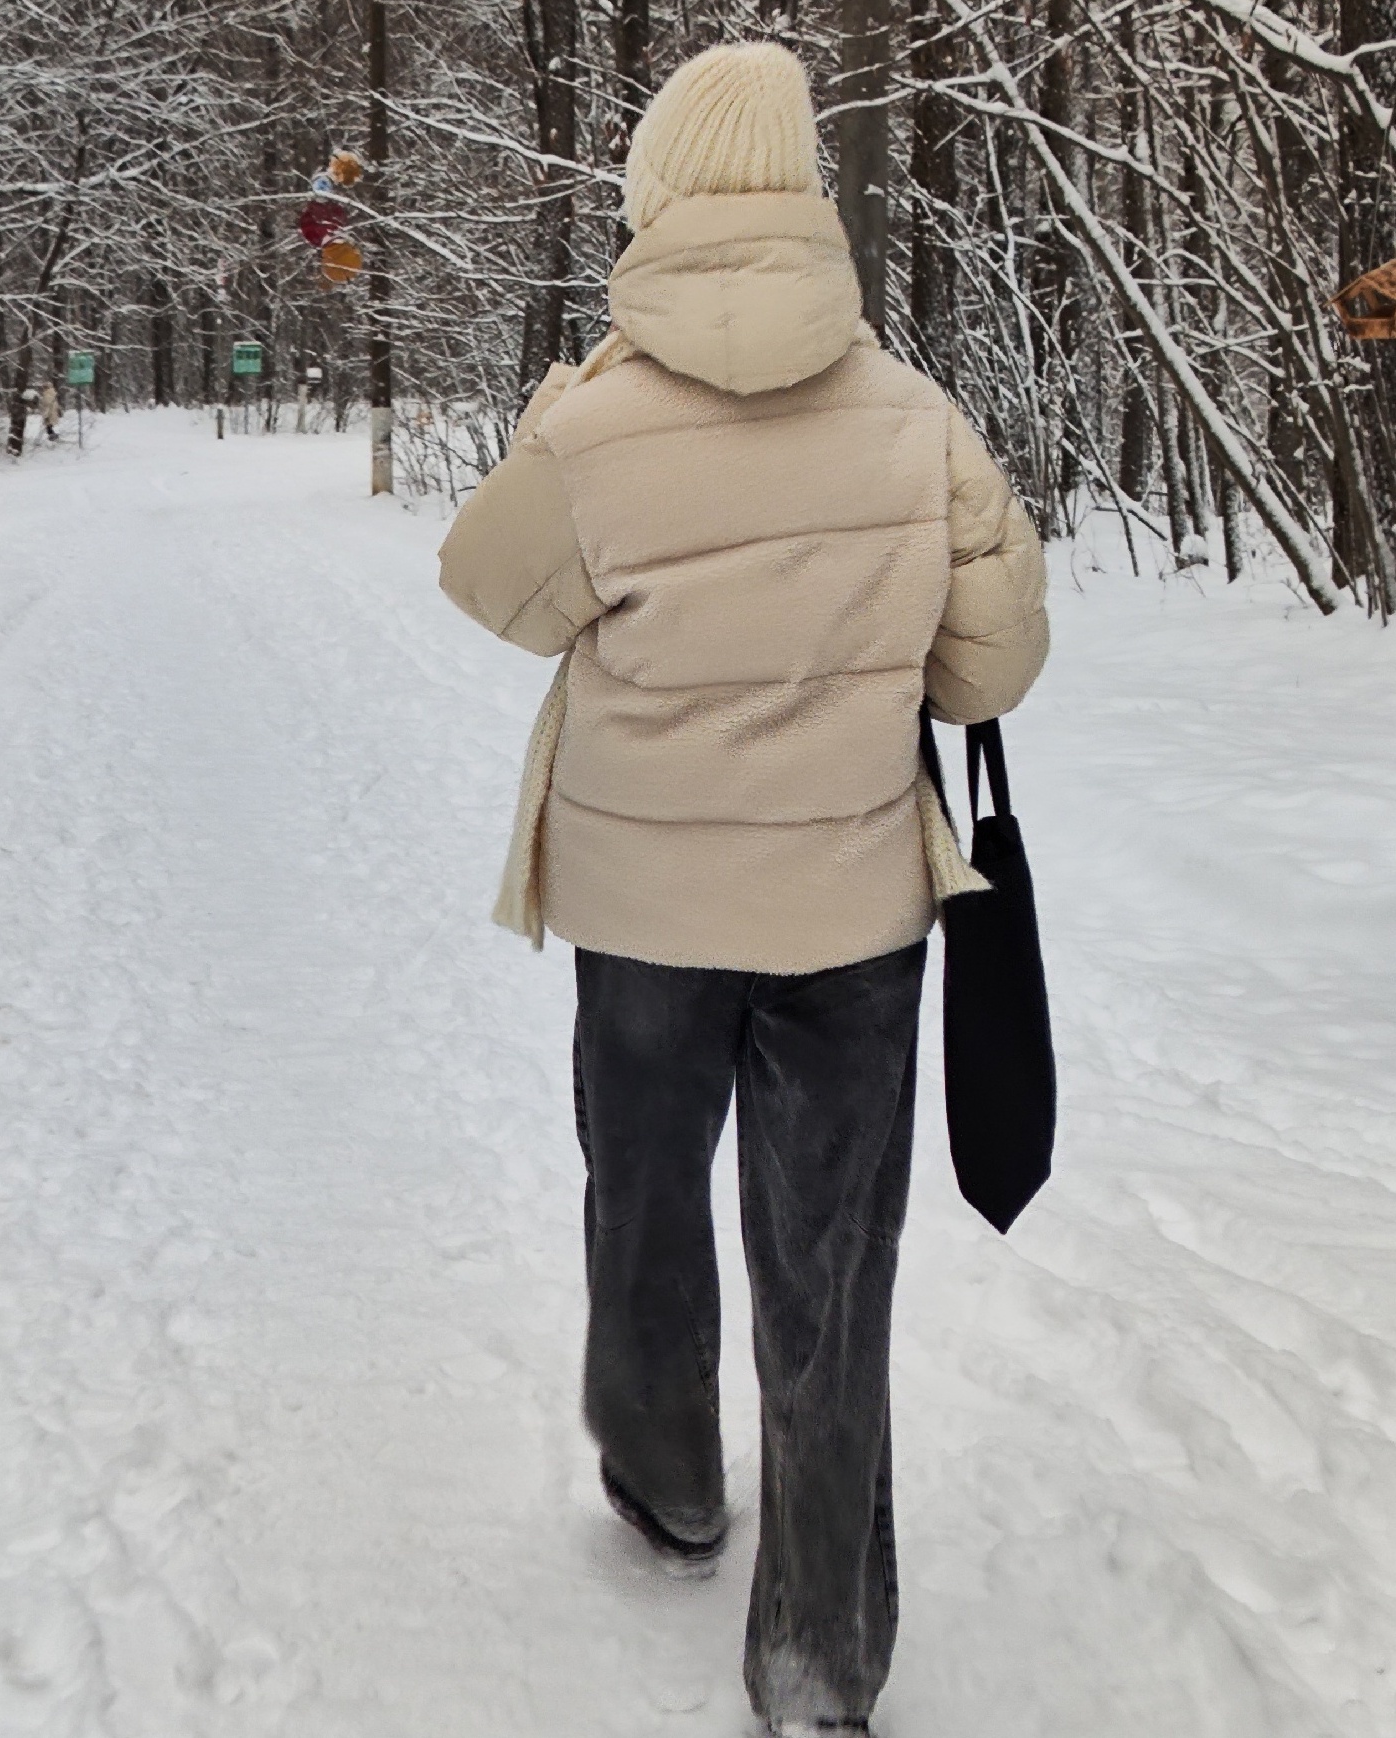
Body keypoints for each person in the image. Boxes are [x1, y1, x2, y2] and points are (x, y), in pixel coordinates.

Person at [437, 43, 1048, 1738]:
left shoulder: (598, 419)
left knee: (641, 1196)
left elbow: (491, 588)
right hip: (850, 913)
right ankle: (817, 1655)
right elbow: (992, 669)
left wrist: (558, 420)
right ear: (806, 203)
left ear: (655, 198)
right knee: (830, 1268)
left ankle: (665, 1482)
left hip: (641, 908)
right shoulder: (916, 418)